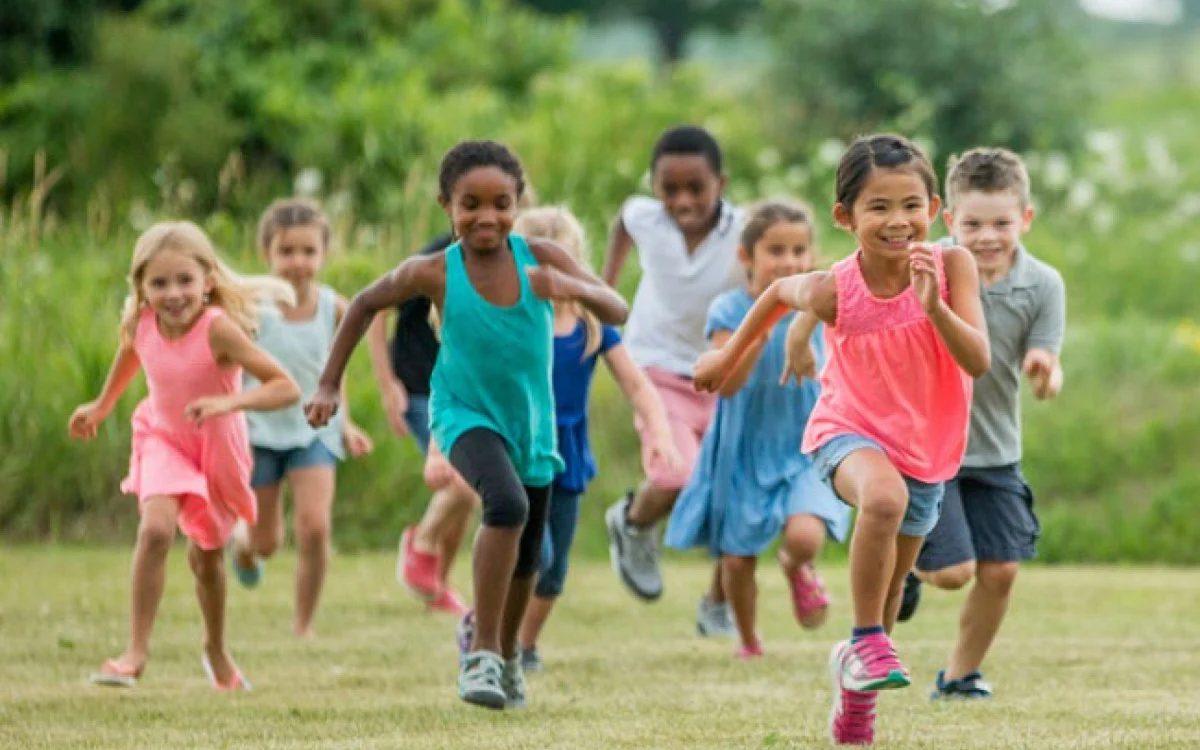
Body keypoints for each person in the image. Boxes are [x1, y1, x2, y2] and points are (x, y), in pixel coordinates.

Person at [305, 140, 628, 710]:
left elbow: (616, 308)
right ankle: (479, 652)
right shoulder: (434, 272)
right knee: (506, 504)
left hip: (531, 424)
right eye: (470, 204)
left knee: (530, 553)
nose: (487, 217)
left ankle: (506, 658)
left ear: (517, 202)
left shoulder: (542, 257)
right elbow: (362, 305)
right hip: (460, 413)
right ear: (446, 205)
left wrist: (570, 288)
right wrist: (329, 383)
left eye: (501, 203)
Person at [694, 134, 989, 745]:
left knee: (889, 597)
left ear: (933, 208)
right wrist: (726, 363)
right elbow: (777, 294)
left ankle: (856, 692)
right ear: (845, 217)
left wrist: (935, 309)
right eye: (877, 207)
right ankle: (861, 639)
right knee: (883, 501)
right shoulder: (836, 287)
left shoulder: (952, 266)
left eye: (911, 204)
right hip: (846, 431)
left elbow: (978, 360)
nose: (897, 220)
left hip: (927, 447)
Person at [69, 221, 301, 690]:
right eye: (158, 283)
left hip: (216, 450)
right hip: (162, 437)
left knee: (206, 561)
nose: (173, 294)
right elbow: (130, 360)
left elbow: (286, 387)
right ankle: (135, 653)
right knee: (154, 531)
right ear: (141, 287)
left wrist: (228, 402)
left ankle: (215, 650)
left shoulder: (220, 331)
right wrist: (100, 406)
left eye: (184, 281)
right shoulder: (140, 324)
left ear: (207, 281)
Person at [897, 147, 1066, 701]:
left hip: (996, 451)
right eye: (973, 223)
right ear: (949, 220)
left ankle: (959, 677)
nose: (988, 236)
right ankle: (904, 568)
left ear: (1026, 218)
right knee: (952, 572)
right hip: (929, 448)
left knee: (1001, 571)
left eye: (1002, 222)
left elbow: (1047, 363)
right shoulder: (924, 267)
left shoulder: (1042, 285)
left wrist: (1044, 373)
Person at [666, 200, 851, 659]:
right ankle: (749, 640)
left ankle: (795, 566)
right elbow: (727, 387)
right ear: (747, 257)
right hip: (743, 446)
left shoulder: (820, 304)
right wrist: (761, 328)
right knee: (736, 556)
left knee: (805, 536)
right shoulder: (731, 309)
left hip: (807, 442)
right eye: (776, 251)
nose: (789, 263)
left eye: (799, 251)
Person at [507, 206, 678, 671]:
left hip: (568, 453)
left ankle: (524, 645)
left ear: (577, 264)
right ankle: (490, 633)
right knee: (531, 555)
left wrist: (660, 432)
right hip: (518, 451)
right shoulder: (513, 318)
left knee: (555, 569)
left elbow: (638, 385)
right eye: (533, 258)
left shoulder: (591, 325)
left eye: (557, 259)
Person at [602, 125, 745, 637]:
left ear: (720, 183)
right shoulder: (645, 216)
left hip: (723, 369)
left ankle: (719, 603)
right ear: (654, 185)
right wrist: (606, 287)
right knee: (674, 474)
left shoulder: (743, 230)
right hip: (656, 365)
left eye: (695, 189)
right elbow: (624, 220)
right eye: (669, 189)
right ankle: (635, 523)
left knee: (735, 492)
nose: (682, 200)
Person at [229, 198, 374, 638]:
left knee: (314, 527)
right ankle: (243, 547)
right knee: (267, 541)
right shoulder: (252, 309)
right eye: (286, 251)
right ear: (267, 254)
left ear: (323, 254)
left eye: (308, 251)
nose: (297, 262)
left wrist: (345, 423)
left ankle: (303, 625)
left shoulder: (336, 308)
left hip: (315, 430)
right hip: (259, 431)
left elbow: (333, 372)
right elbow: (231, 366)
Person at [364, 232, 476, 615]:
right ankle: (422, 543)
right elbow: (377, 309)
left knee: (467, 493)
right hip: (419, 387)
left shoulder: (510, 261)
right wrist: (386, 384)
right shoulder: (439, 255)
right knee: (464, 483)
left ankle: (437, 585)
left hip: (467, 390)